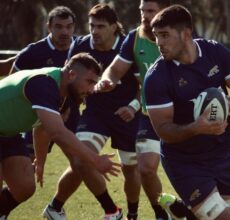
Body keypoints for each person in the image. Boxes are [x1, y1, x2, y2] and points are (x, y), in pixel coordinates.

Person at [142, 5, 230, 219]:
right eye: (157, 36)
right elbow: (164, 130)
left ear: (186, 34)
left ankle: (185, 214)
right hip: (184, 162)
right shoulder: (156, 77)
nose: (159, 43)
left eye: (165, 35)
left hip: (221, 153)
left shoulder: (214, 52)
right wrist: (197, 127)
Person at [43, 4, 140, 220]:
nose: (94, 31)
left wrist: (133, 107)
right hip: (95, 112)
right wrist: (66, 107)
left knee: (131, 169)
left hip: (127, 114)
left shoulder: (128, 47)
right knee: (80, 160)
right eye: (91, 25)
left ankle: (132, 215)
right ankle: (109, 211)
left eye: (101, 26)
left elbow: (146, 86)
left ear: (114, 27)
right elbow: (69, 81)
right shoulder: (80, 45)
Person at [0, 52, 120, 219]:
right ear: (71, 75)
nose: (92, 89)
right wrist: (97, 160)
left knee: (25, 187)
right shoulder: (44, 83)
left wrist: (40, 161)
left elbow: (43, 128)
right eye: (90, 82)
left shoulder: (61, 91)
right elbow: (58, 132)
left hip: (8, 133)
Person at [95, 1, 184, 219]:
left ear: (164, 11)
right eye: (142, 10)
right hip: (150, 115)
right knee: (145, 169)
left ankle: (190, 208)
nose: (144, 15)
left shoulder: (182, 37)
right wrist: (107, 80)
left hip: (184, 115)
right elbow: (115, 69)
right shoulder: (134, 38)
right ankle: (162, 215)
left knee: (186, 171)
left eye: (150, 11)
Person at [10, 5, 80, 160]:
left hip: (71, 114)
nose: (64, 32)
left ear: (74, 27)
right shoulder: (32, 53)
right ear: (49, 27)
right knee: (27, 161)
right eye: (58, 27)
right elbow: (13, 82)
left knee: (81, 160)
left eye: (69, 27)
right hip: (37, 116)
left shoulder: (80, 48)